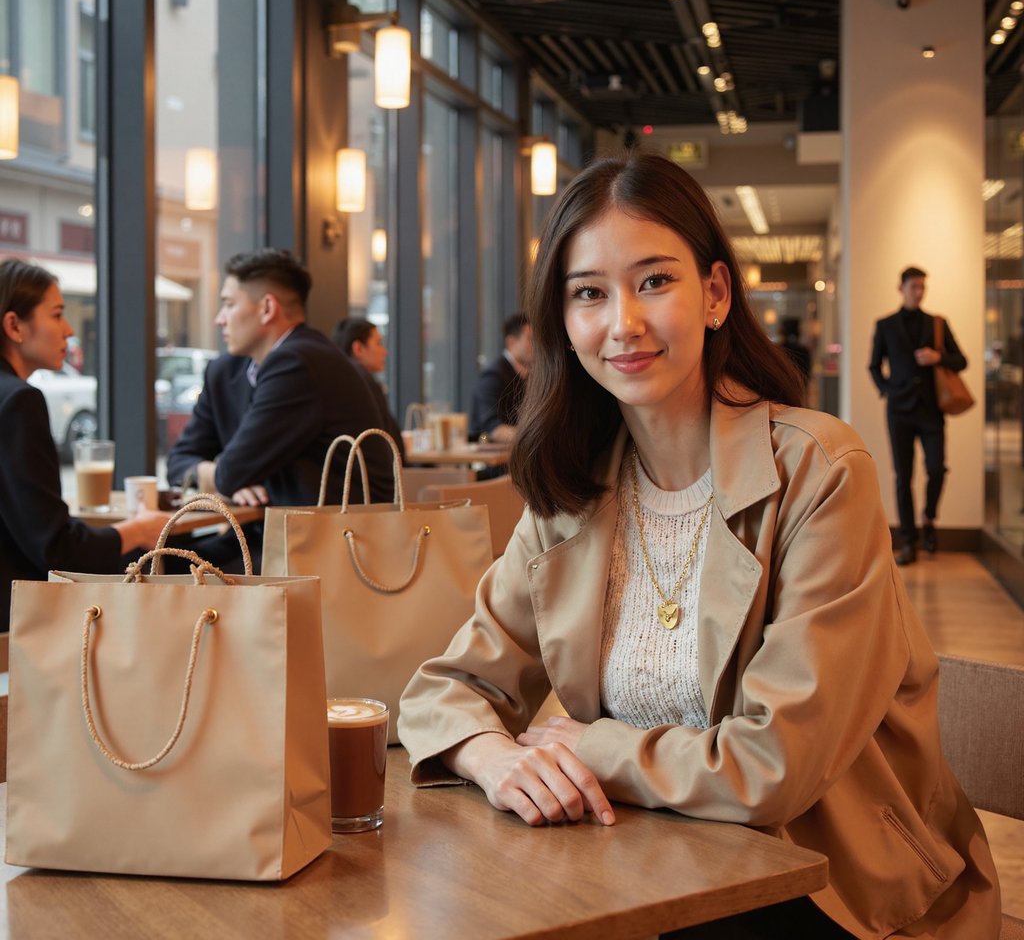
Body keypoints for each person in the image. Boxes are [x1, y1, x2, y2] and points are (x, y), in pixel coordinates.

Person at [398, 154, 999, 939]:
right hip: (644, 872)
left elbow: (773, 768)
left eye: (654, 281)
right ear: (563, 322)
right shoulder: (575, 491)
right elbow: (442, 690)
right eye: (589, 294)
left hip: (827, 892)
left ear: (715, 294)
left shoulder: (820, 472)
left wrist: (591, 748)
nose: (624, 323)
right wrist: (493, 758)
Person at [0, 258, 170, 632]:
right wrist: (139, 529)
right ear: (14, 325)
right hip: (18, 616)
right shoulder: (18, 401)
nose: (69, 329)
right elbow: (56, 549)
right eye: (57, 314)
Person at [167, 248, 393, 518]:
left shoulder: (301, 363)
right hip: (271, 533)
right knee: (152, 556)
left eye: (228, 304)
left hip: (332, 544)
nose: (220, 320)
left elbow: (231, 472)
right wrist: (222, 477)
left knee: (155, 558)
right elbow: (178, 463)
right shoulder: (225, 372)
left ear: (267, 308)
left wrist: (225, 477)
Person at [869, 266, 967, 566]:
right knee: (903, 477)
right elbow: (874, 366)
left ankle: (929, 518)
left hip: (930, 410)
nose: (919, 292)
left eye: (922, 287)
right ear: (901, 288)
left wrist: (939, 357)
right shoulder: (885, 325)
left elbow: (962, 360)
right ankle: (909, 542)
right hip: (899, 410)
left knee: (937, 469)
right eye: (914, 287)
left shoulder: (937, 323)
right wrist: (888, 390)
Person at [332, 316, 404, 460]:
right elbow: (386, 438)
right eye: (378, 343)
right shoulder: (362, 382)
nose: (385, 351)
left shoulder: (338, 380)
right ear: (358, 348)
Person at [469, 312, 533, 443]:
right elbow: (493, 429)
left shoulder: (531, 375)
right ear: (511, 342)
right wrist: (538, 439)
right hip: (492, 460)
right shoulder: (492, 377)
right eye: (531, 339)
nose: (538, 345)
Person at [778, 316, 812, 385]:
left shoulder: (779, 349)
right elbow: (807, 374)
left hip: (784, 387)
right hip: (800, 388)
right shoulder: (804, 351)